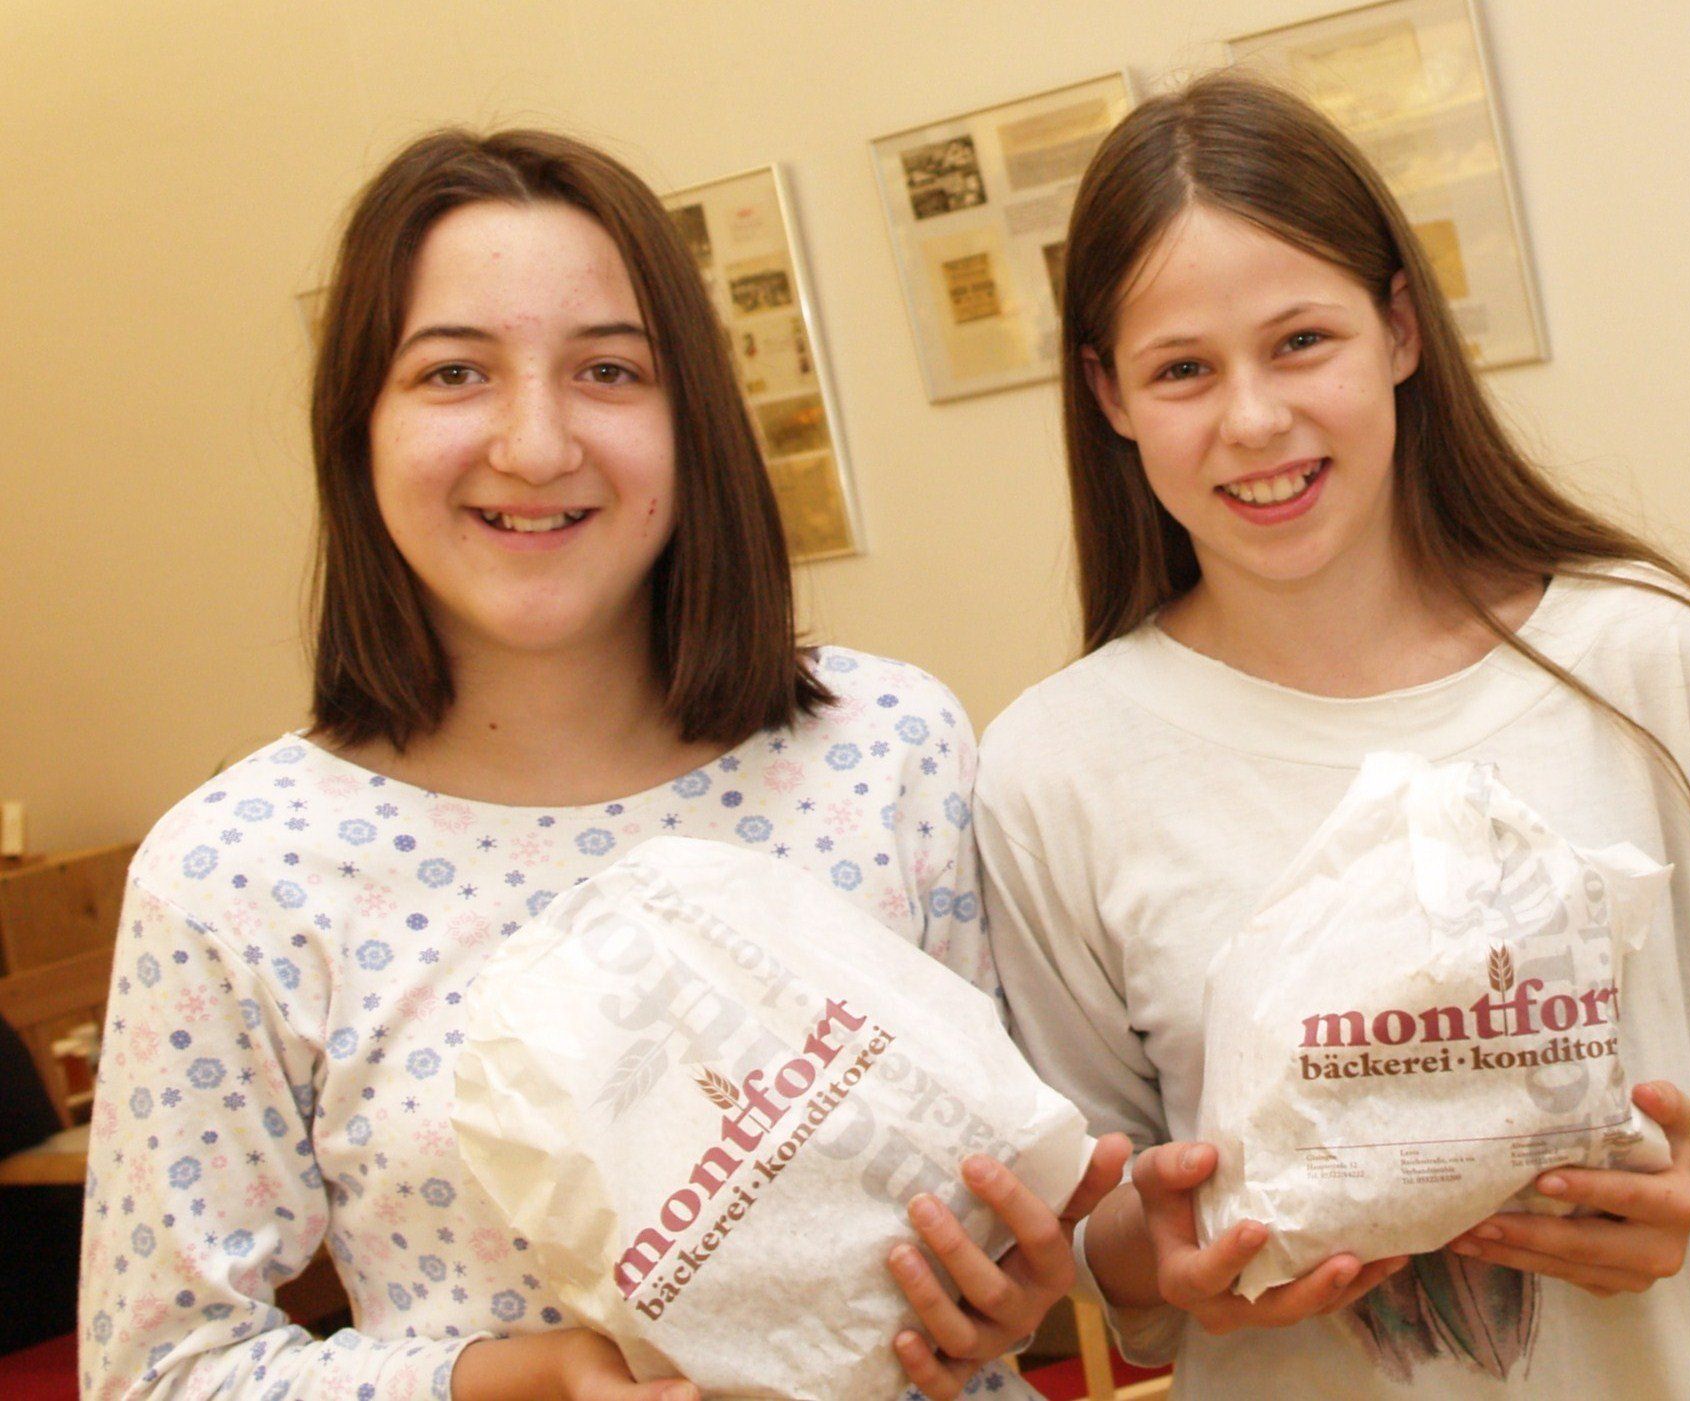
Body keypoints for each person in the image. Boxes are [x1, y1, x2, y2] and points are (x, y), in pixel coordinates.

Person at [78, 128, 1126, 1401]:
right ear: (357, 427)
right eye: (454, 372)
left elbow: (1017, 1180)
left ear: (694, 421)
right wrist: (513, 1381)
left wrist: (1019, 1275)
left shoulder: (887, 745)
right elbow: (161, 1371)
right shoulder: (234, 874)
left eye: (609, 371)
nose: (535, 445)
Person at [975, 72, 1690, 1398]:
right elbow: (1085, 1200)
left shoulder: (1640, 657)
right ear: (1110, 396)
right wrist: (1163, 1254)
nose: (1252, 419)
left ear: (1400, 331)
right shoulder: (1050, 766)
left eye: (1300, 341)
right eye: (1182, 369)